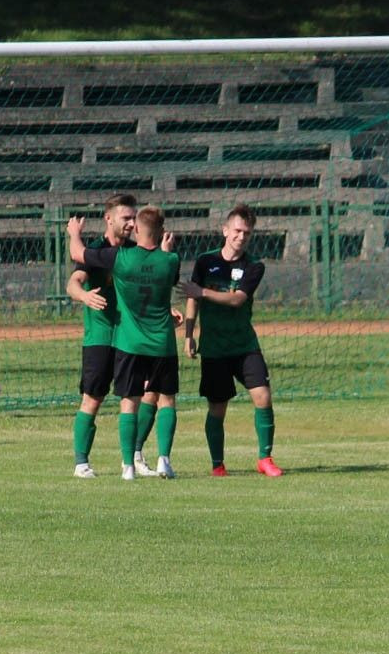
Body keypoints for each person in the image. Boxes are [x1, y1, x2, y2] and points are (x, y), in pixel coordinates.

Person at [67, 207, 179, 480]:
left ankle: (134, 458)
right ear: (109, 218)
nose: (129, 223)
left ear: (139, 228)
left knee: (145, 396)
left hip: (130, 339)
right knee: (93, 398)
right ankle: (81, 463)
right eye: (125, 218)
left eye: (133, 219)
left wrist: (73, 234)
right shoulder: (104, 250)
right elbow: (73, 283)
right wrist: (84, 296)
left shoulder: (124, 254)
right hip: (103, 335)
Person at [181, 204, 282, 477]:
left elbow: (237, 299)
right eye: (237, 230)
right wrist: (188, 335)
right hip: (214, 348)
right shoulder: (205, 261)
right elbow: (192, 300)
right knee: (217, 407)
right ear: (225, 230)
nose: (241, 236)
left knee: (263, 397)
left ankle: (265, 458)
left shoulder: (254, 266)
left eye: (247, 233)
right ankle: (218, 465)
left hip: (244, 346)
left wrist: (202, 292)